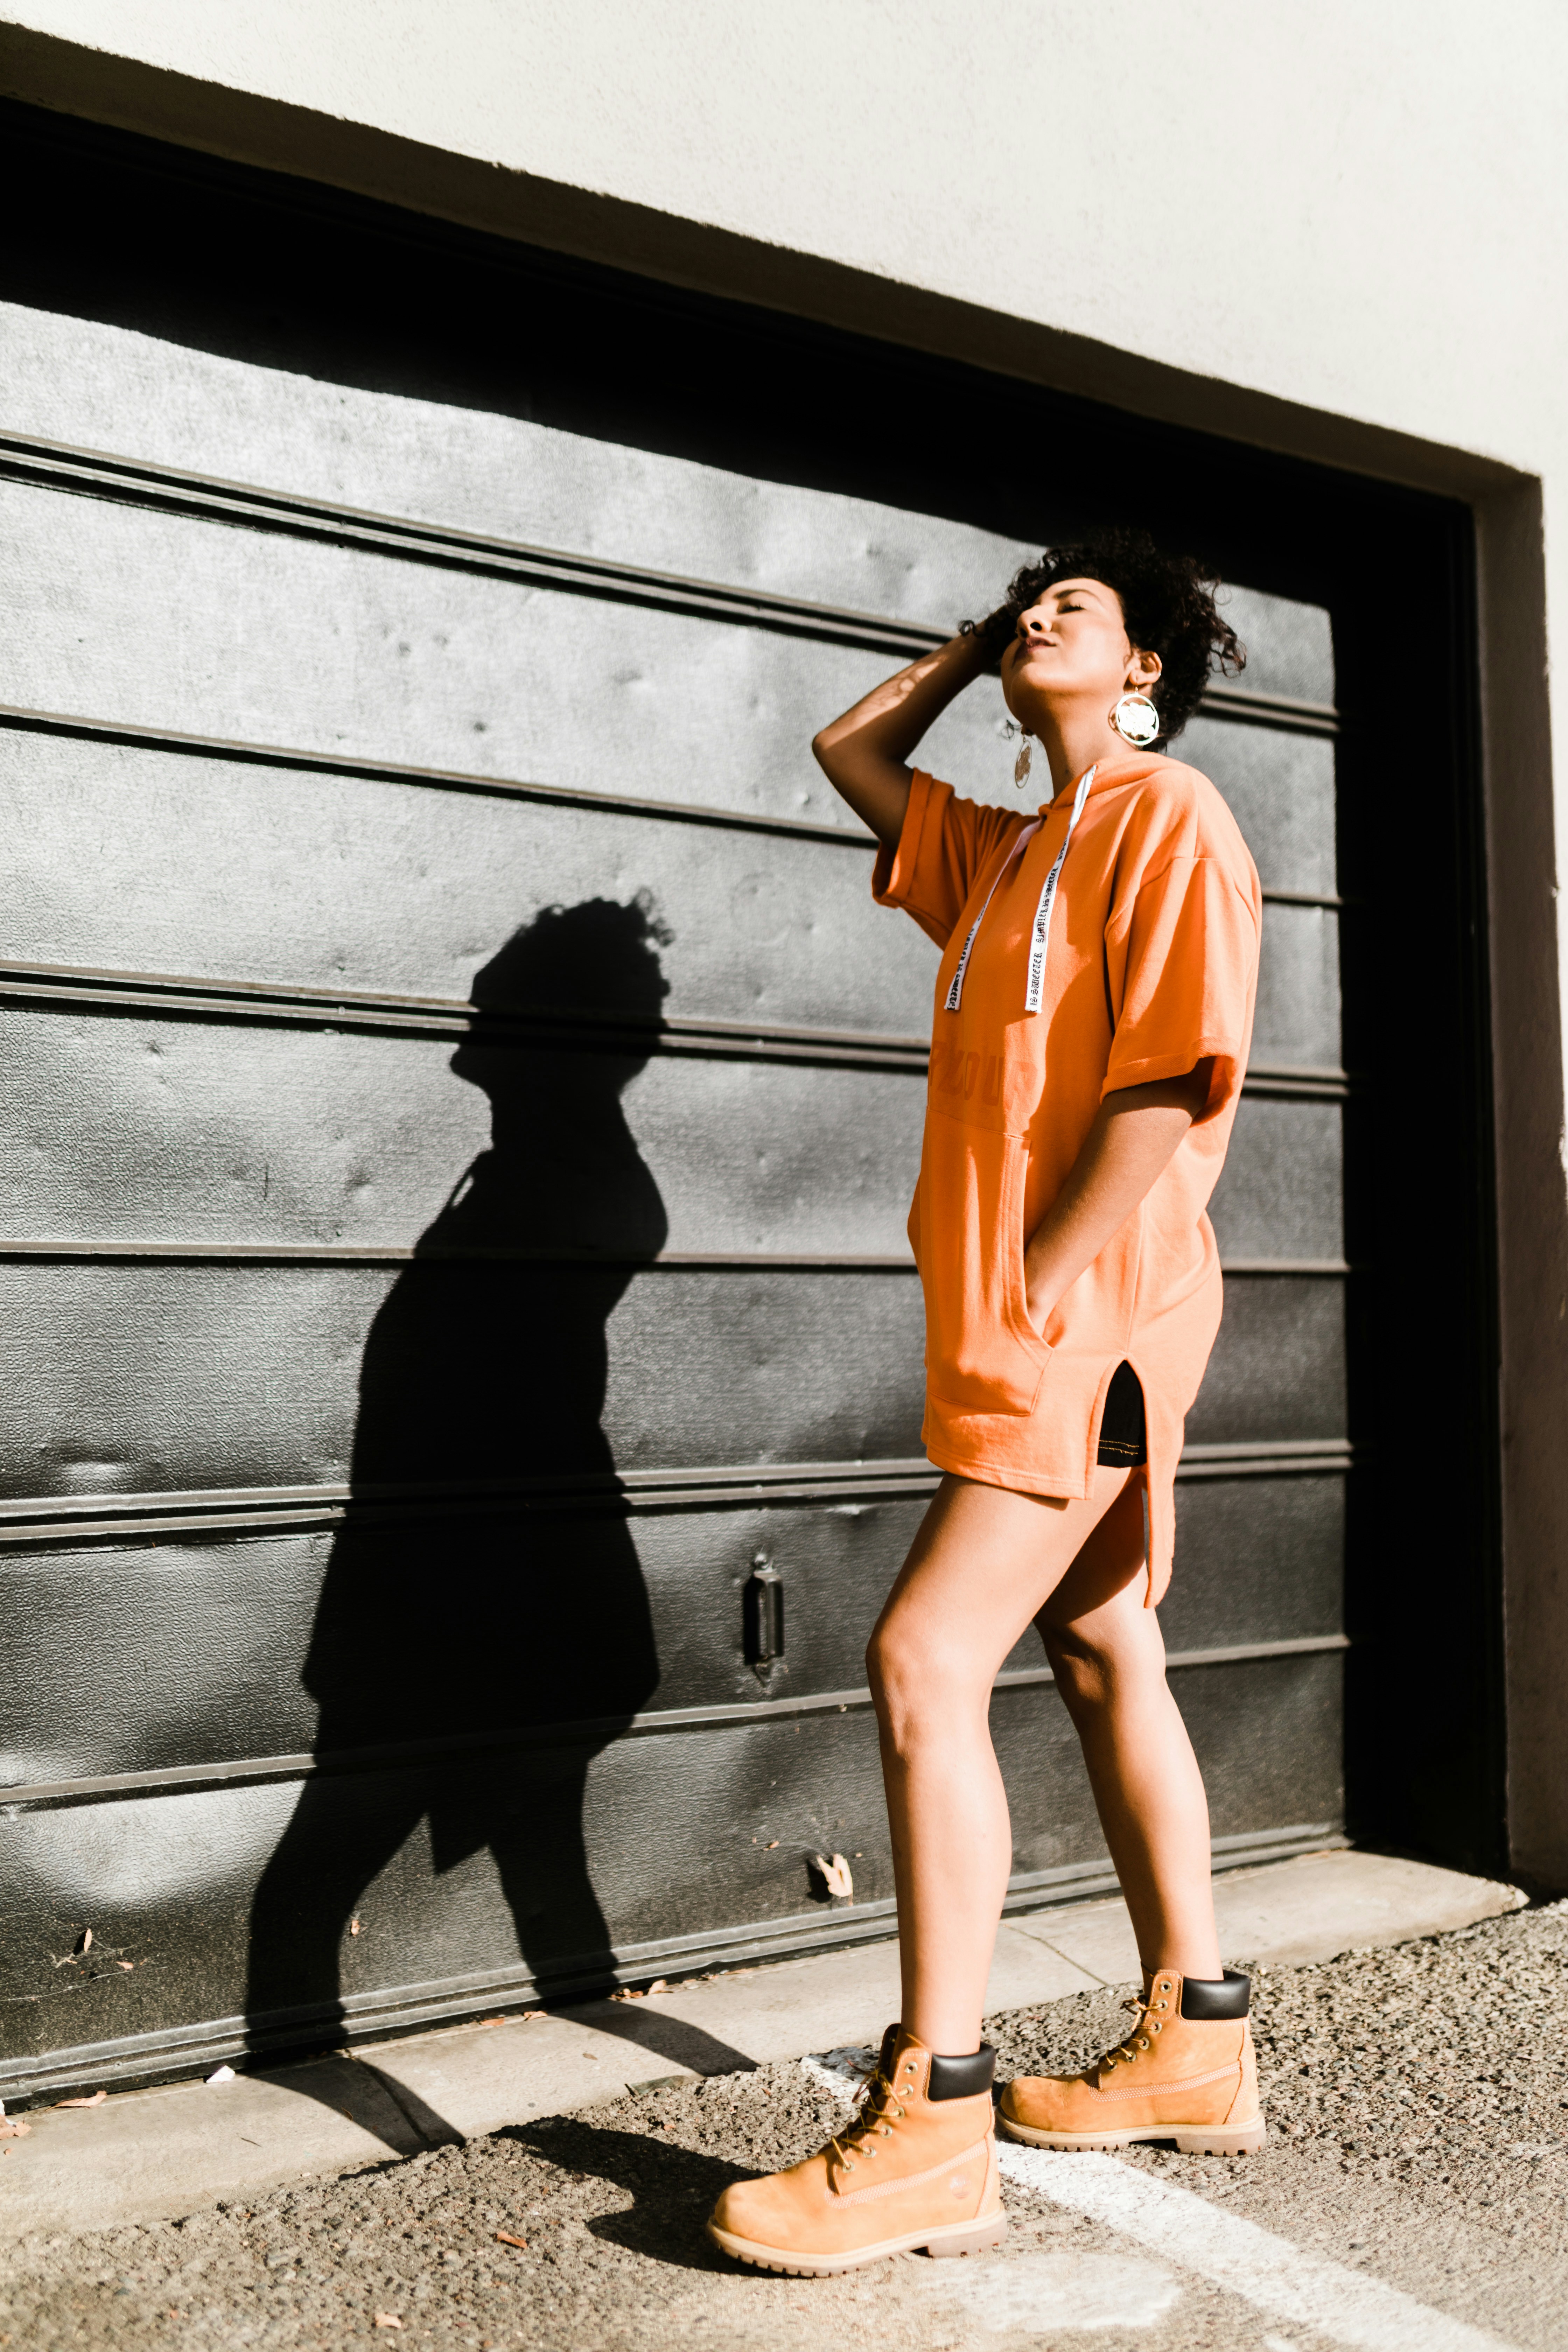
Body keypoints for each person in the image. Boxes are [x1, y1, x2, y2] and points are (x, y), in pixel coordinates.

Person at [707, 530, 1264, 2277]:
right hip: (1032, 1321)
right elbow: (850, 757)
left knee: (923, 1660)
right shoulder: (1009, 854)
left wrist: (1038, 1295)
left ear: (1148, 672)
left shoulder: (1170, 823)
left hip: (1085, 1317)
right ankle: (1196, 2038)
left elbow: (1168, 1088)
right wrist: (976, 652)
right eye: (1032, 597)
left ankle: (934, 2116)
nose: (1042, 612)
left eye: (1078, 607)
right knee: (1103, 1650)